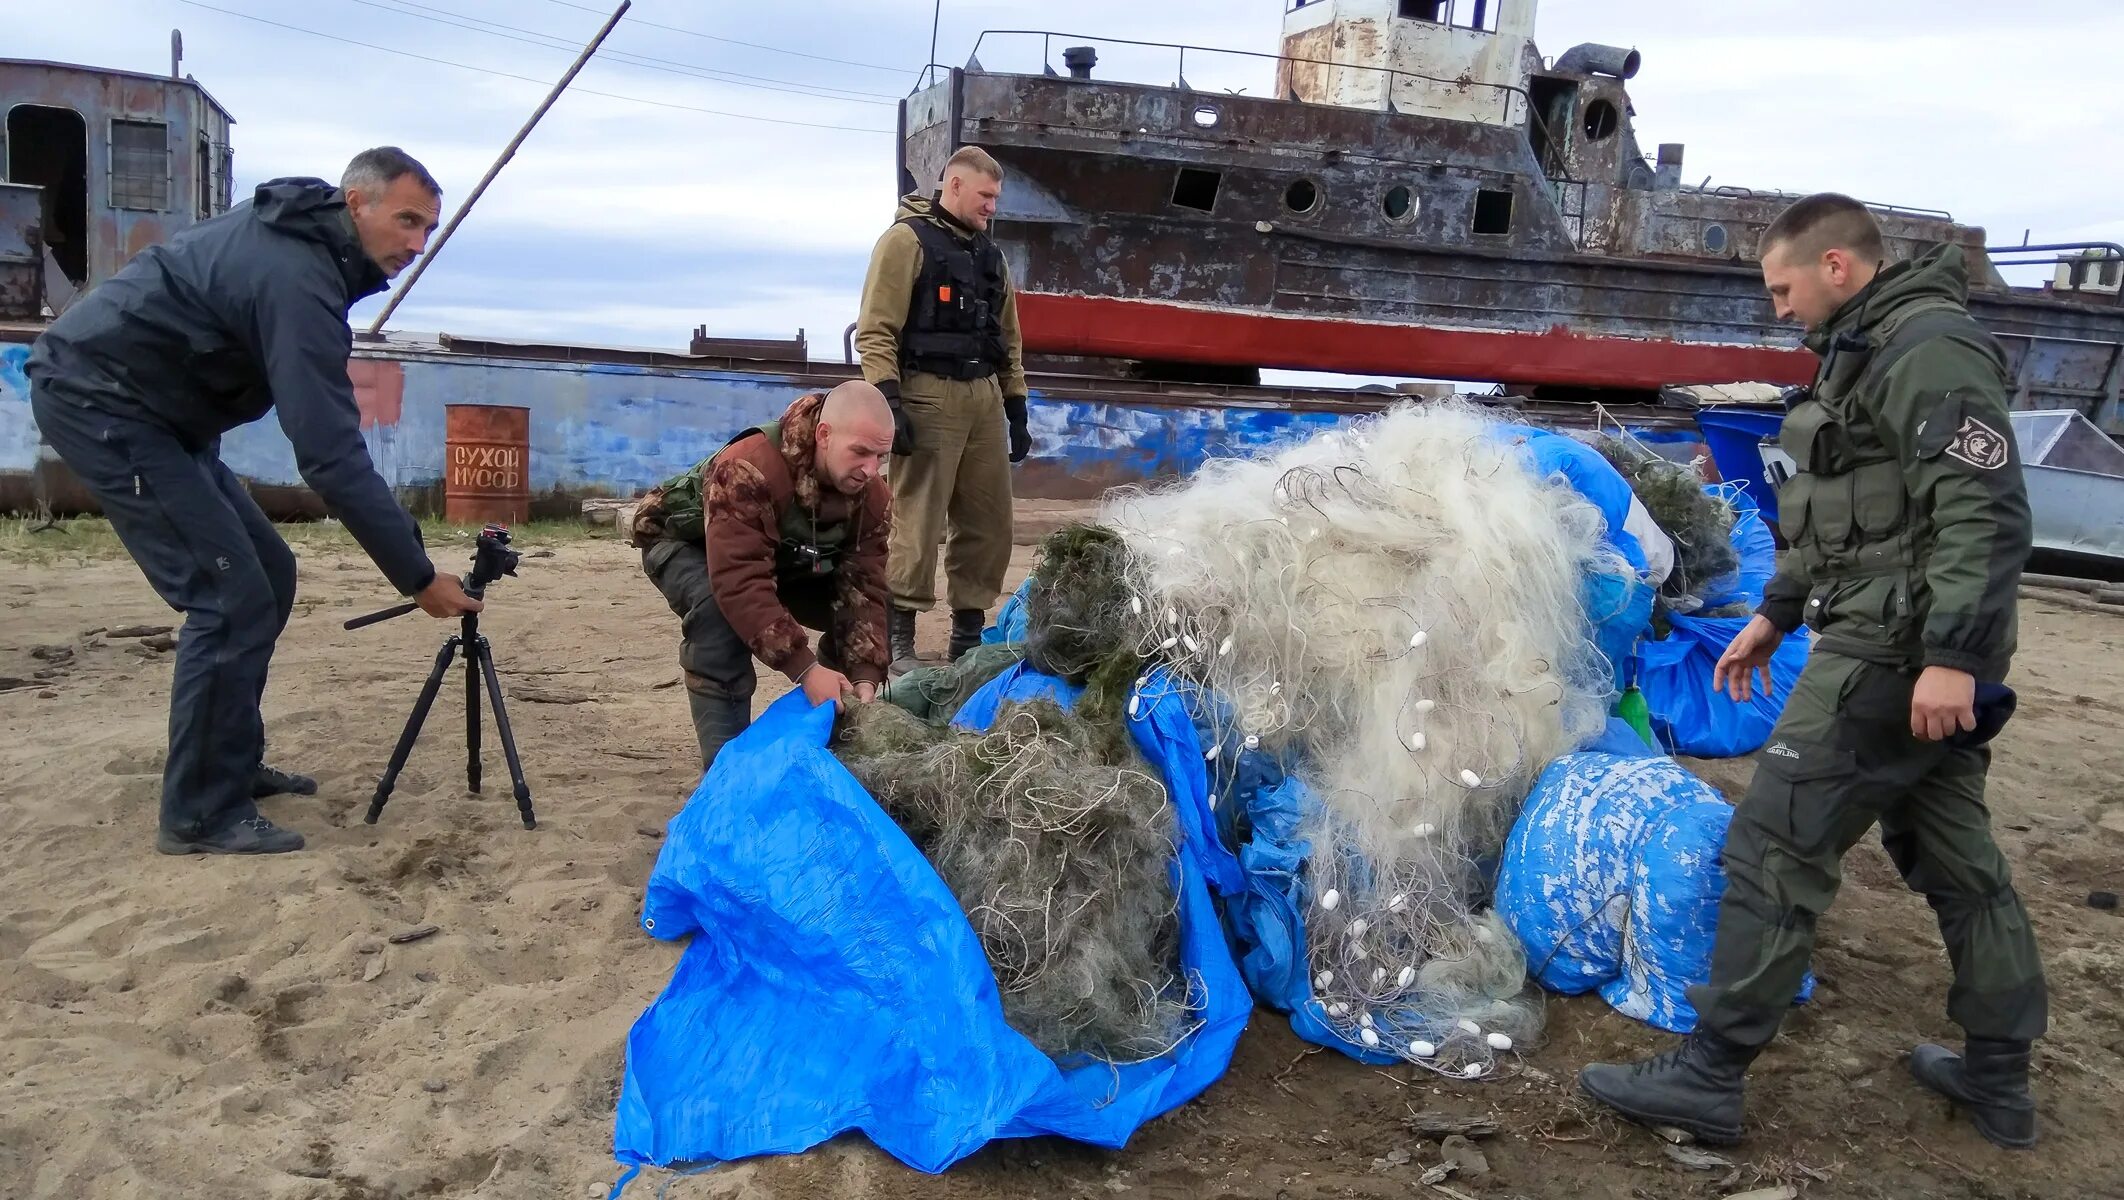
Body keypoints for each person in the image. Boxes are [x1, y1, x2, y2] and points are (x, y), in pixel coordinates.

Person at [1578, 194, 2046, 1149]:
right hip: (1891, 643)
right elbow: (1844, 512)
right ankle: (2000, 1080)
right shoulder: (1865, 352)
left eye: (1784, 288)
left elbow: (1983, 516)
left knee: (1774, 847)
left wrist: (1953, 663)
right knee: (1959, 861)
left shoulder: (1929, 353)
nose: (1779, 309)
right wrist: (1774, 613)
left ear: (1836, 266)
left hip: (1895, 655)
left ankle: (1709, 1075)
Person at [27, 146, 481, 857]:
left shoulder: (306, 252)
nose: (417, 245)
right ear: (355, 203)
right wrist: (418, 576)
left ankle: (229, 764)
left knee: (268, 573)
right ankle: (201, 814)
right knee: (227, 593)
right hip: (104, 402)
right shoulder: (299, 280)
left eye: (428, 229)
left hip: (163, 418)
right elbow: (328, 452)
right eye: (407, 221)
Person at [632, 381, 896, 769]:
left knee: (866, 618)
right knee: (716, 612)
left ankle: (839, 727)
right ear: (824, 435)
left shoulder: (872, 495)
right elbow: (740, 582)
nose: (870, 469)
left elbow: (864, 588)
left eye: (880, 456)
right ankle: (725, 770)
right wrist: (805, 670)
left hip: (781, 559)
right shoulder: (749, 468)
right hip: (687, 544)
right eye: (860, 452)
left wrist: (866, 676)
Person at [854, 144, 1033, 676]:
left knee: (988, 520)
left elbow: (1008, 338)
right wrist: (889, 403)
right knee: (918, 516)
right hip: (926, 393)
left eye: (996, 198)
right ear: (953, 186)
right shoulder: (904, 242)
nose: (992, 207)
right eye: (985, 196)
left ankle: (966, 640)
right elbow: (876, 330)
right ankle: (899, 640)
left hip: (983, 399)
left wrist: (1017, 405)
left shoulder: (989, 256)